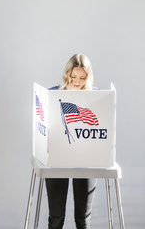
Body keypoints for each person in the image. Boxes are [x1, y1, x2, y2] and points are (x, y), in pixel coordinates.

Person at [45, 53, 97, 229]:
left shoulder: (96, 96)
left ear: (88, 77)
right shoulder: (52, 93)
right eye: (73, 76)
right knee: (56, 217)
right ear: (67, 73)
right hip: (57, 158)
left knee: (83, 219)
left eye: (82, 78)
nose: (77, 81)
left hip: (86, 159)